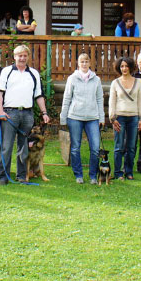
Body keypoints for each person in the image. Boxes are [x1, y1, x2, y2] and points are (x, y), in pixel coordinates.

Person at [0, 45, 50, 185]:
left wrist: (44, 112)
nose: (22, 58)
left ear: (28, 57)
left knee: (24, 147)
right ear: (14, 57)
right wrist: (0, 111)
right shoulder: (7, 71)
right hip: (9, 113)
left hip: (27, 114)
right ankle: (3, 176)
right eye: (19, 55)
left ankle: (22, 176)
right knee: (6, 146)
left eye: (25, 55)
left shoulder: (33, 73)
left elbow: (39, 95)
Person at [60, 53, 104, 184]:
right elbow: (67, 98)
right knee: (75, 147)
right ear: (78, 64)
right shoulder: (72, 79)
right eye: (82, 62)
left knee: (95, 148)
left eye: (86, 61)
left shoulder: (96, 80)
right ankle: (78, 174)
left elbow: (99, 99)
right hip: (75, 117)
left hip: (92, 117)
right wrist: (63, 118)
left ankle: (93, 176)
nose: (84, 64)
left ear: (90, 63)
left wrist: (101, 118)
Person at [109, 57, 141, 180]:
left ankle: (129, 172)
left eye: (126, 66)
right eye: (122, 66)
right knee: (119, 147)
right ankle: (118, 172)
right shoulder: (115, 83)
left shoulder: (138, 82)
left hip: (134, 118)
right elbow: (112, 102)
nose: (124, 68)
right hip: (120, 118)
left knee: (131, 147)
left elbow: (140, 101)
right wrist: (113, 118)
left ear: (131, 67)